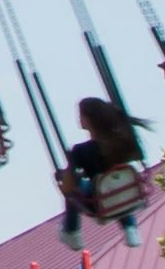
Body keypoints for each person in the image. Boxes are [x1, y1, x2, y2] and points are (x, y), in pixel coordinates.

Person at [55, 96, 145, 236]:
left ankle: (71, 230)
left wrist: (64, 183)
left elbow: (68, 186)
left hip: (98, 202)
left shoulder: (80, 151)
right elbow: (138, 156)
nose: (79, 119)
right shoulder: (120, 143)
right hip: (128, 193)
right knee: (114, 180)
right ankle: (130, 227)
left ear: (89, 119)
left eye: (81, 115)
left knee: (73, 183)